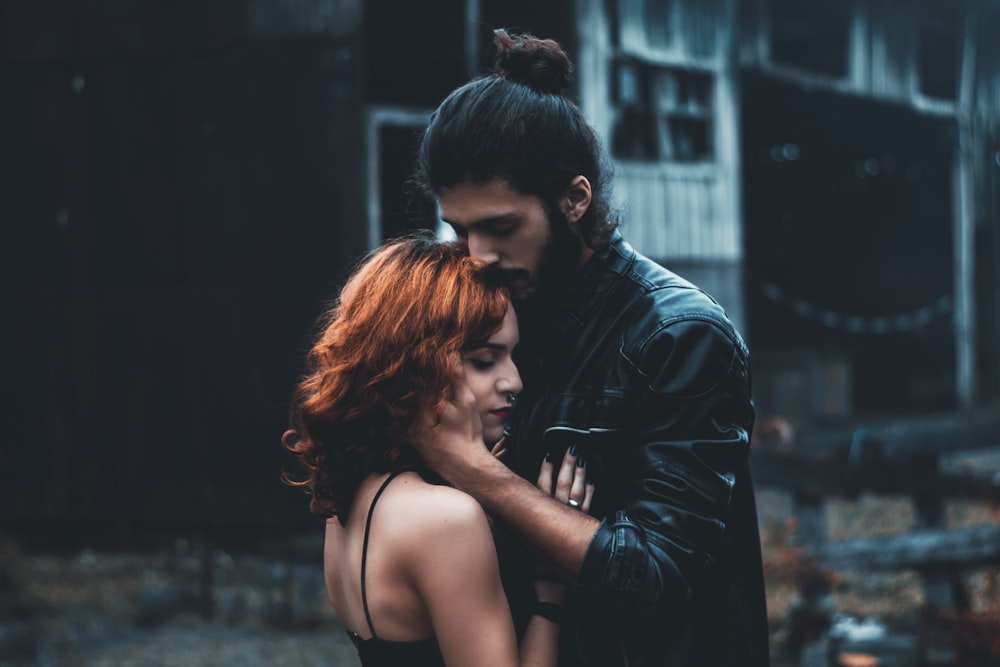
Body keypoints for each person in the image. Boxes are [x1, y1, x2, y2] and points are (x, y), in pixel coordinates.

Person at [410, 30, 770, 666]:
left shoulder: (678, 336)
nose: (477, 255)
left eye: (501, 227)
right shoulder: (488, 318)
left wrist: (478, 474)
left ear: (575, 199)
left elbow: (658, 575)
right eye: (461, 229)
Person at [281, 234, 595, 667]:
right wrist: (551, 593)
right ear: (417, 365)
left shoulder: (347, 502)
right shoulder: (444, 520)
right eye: (485, 360)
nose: (514, 382)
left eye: (512, 357)